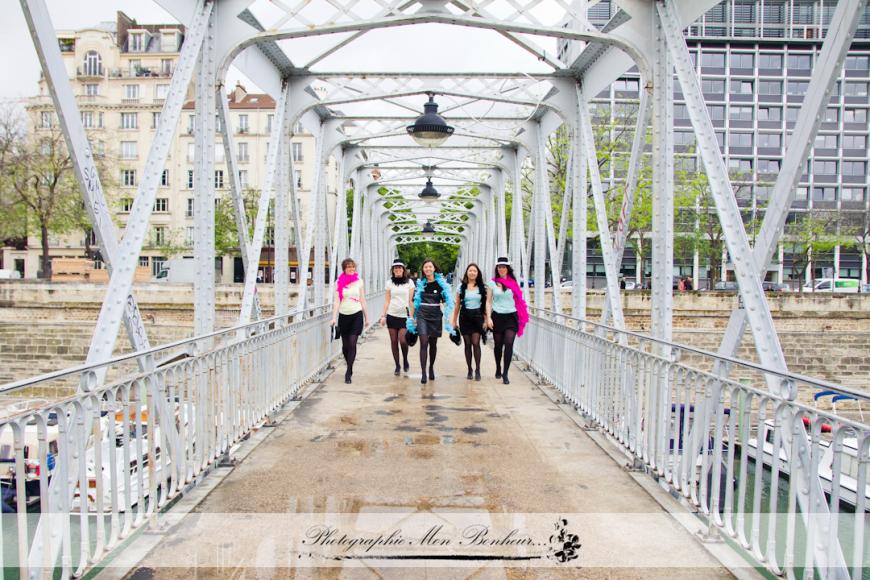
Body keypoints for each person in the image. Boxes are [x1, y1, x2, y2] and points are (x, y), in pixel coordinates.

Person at [407, 259, 454, 385]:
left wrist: (448, 317)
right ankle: (423, 373)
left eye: (430, 267)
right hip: (422, 314)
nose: (427, 269)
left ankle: (431, 367)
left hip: (435, 315)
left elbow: (446, 302)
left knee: (433, 344)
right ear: (423, 269)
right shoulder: (420, 284)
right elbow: (414, 302)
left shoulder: (441, 285)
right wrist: (413, 318)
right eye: (425, 267)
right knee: (423, 342)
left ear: (434, 269)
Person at [485, 257, 529, 385]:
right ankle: (498, 366)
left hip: (511, 317)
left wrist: (521, 314)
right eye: (499, 267)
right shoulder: (492, 283)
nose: (501, 269)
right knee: (498, 346)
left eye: (504, 267)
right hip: (497, 316)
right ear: (497, 269)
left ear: (507, 268)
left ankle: (505, 373)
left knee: (509, 343)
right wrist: (488, 317)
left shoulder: (514, 282)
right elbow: (488, 301)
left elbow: (519, 300)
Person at [330, 258, 369, 384]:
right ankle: (349, 364)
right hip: (343, 315)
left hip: (356, 314)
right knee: (345, 346)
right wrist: (333, 318)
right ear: (344, 269)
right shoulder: (339, 282)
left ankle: (349, 371)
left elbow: (362, 299)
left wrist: (366, 317)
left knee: (352, 343)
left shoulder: (359, 281)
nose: (351, 269)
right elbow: (337, 301)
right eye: (348, 267)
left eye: (353, 266)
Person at [450, 263, 486, 381]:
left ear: (477, 273)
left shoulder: (482, 287)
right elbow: (457, 306)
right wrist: (454, 321)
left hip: (477, 316)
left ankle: (478, 369)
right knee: (467, 344)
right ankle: (469, 369)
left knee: (476, 342)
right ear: (467, 272)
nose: (472, 273)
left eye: (474, 271)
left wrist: (486, 319)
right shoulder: (461, 287)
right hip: (465, 317)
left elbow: (485, 305)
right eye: (470, 270)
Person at [380, 258, 415, 376]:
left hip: (404, 316)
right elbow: (387, 300)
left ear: (403, 269)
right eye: (396, 268)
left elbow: (411, 301)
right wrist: (383, 315)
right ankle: (397, 365)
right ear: (393, 270)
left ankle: (405, 360)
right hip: (392, 315)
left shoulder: (410, 282)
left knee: (403, 340)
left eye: (400, 267)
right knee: (393, 341)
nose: (398, 269)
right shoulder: (389, 283)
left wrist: (412, 317)